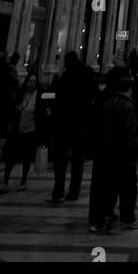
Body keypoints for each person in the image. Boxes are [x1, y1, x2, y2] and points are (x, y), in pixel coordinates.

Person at [89, 69, 138, 233]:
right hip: (123, 154)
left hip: (105, 152)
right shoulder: (128, 106)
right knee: (128, 188)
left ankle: (99, 220)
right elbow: (130, 133)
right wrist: (133, 154)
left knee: (105, 187)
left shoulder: (105, 102)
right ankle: (127, 218)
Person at [49, 51, 96, 204]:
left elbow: (58, 102)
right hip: (81, 125)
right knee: (77, 160)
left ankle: (58, 192)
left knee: (61, 160)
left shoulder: (65, 78)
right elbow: (93, 98)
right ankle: (74, 192)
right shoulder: (87, 74)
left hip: (64, 125)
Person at [0, 71, 44, 194]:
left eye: (34, 81)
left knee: (27, 157)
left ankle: (23, 180)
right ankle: (5, 181)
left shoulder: (39, 96)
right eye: (30, 81)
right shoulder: (20, 94)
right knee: (10, 157)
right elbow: (12, 109)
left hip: (30, 131)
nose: (32, 84)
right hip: (17, 130)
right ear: (26, 82)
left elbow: (41, 112)